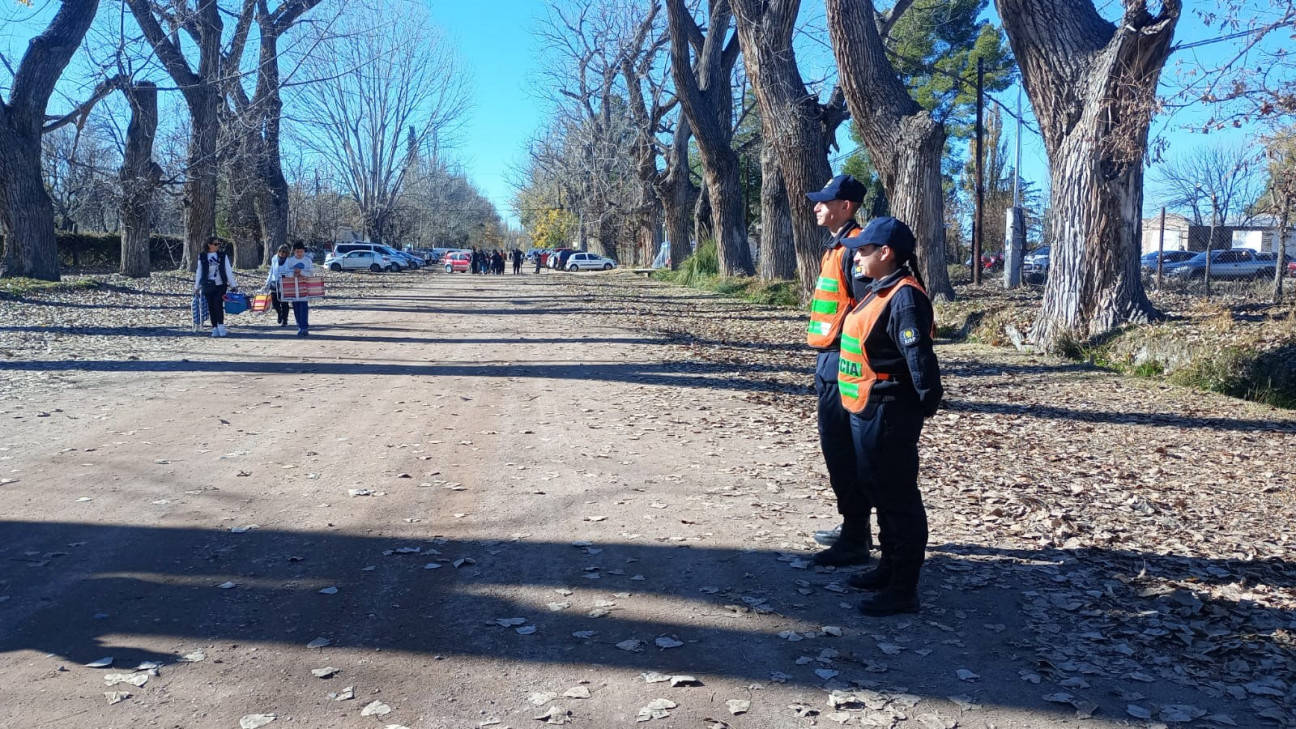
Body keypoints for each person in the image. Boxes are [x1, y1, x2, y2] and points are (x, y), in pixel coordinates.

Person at [835, 216, 943, 616]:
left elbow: (920, 360)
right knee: (878, 489)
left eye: (864, 250)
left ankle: (904, 588)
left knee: (898, 498)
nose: (857, 256)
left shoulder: (905, 298)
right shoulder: (879, 289)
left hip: (890, 408)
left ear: (886, 253)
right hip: (868, 406)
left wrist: (924, 404)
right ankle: (887, 566)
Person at [803, 174, 876, 567]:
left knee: (845, 450)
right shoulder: (836, 246)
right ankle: (856, 527)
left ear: (845, 207)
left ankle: (855, 538)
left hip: (844, 363)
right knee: (838, 450)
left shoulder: (856, 249)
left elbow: (869, 311)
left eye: (824, 201)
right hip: (829, 359)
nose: (816, 206)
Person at [193, 236, 238, 337]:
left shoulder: (222, 256)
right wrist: (196, 286)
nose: (218, 246)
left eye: (218, 244)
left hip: (220, 284)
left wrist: (233, 285)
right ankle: (214, 328)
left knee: (218, 304)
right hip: (207, 285)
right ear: (209, 245)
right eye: (215, 244)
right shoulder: (202, 256)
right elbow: (199, 271)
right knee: (211, 306)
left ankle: (221, 326)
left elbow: (228, 271)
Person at [280, 242, 315, 336]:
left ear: (304, 251)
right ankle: (299, 326)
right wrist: (293, 274)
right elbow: (286, 272)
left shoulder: (308, 260)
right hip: (293, 287)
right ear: (294, 251)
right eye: (297, 251)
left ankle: (304, 327)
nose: (299, 253)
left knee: (304, 306)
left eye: (301, 251)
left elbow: (311, 273)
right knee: (296, 307)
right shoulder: (290, 260)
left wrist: (301, 272)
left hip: (304, 286)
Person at [265, 244, 292, 327]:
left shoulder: (289, 260)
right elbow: (271, 271)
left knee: (284, 303)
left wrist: (286, 275)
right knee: (275, 302)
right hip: (275, 283)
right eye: (281, 251)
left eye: (284, 252)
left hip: (285, 283)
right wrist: (267, 282)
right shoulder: (274, 259)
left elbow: (291, 272)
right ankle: (279, 313)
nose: (282, 253)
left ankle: (285, 320)